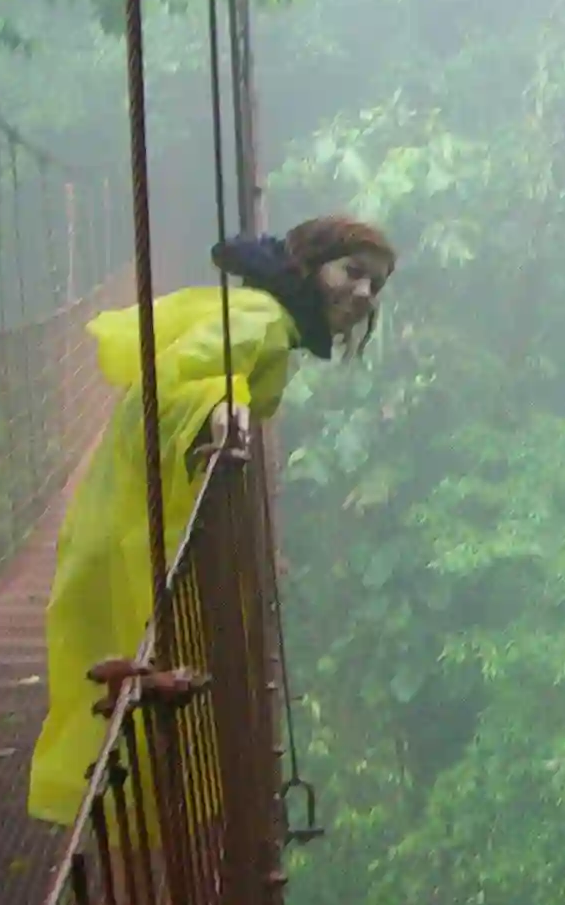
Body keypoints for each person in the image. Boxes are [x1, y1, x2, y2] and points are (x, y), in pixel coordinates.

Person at [26, 214, 394, 823]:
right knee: (145, 669)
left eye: (373, 287)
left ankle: (125, 820)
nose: (362, 296)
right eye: (352, 273)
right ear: (309, 264)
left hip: (129, 501)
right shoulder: (262, 322)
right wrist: (220, 405)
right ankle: (138, 833)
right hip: (135, 511)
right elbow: (167, 386)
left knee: (126, 673)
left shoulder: (267, 320)